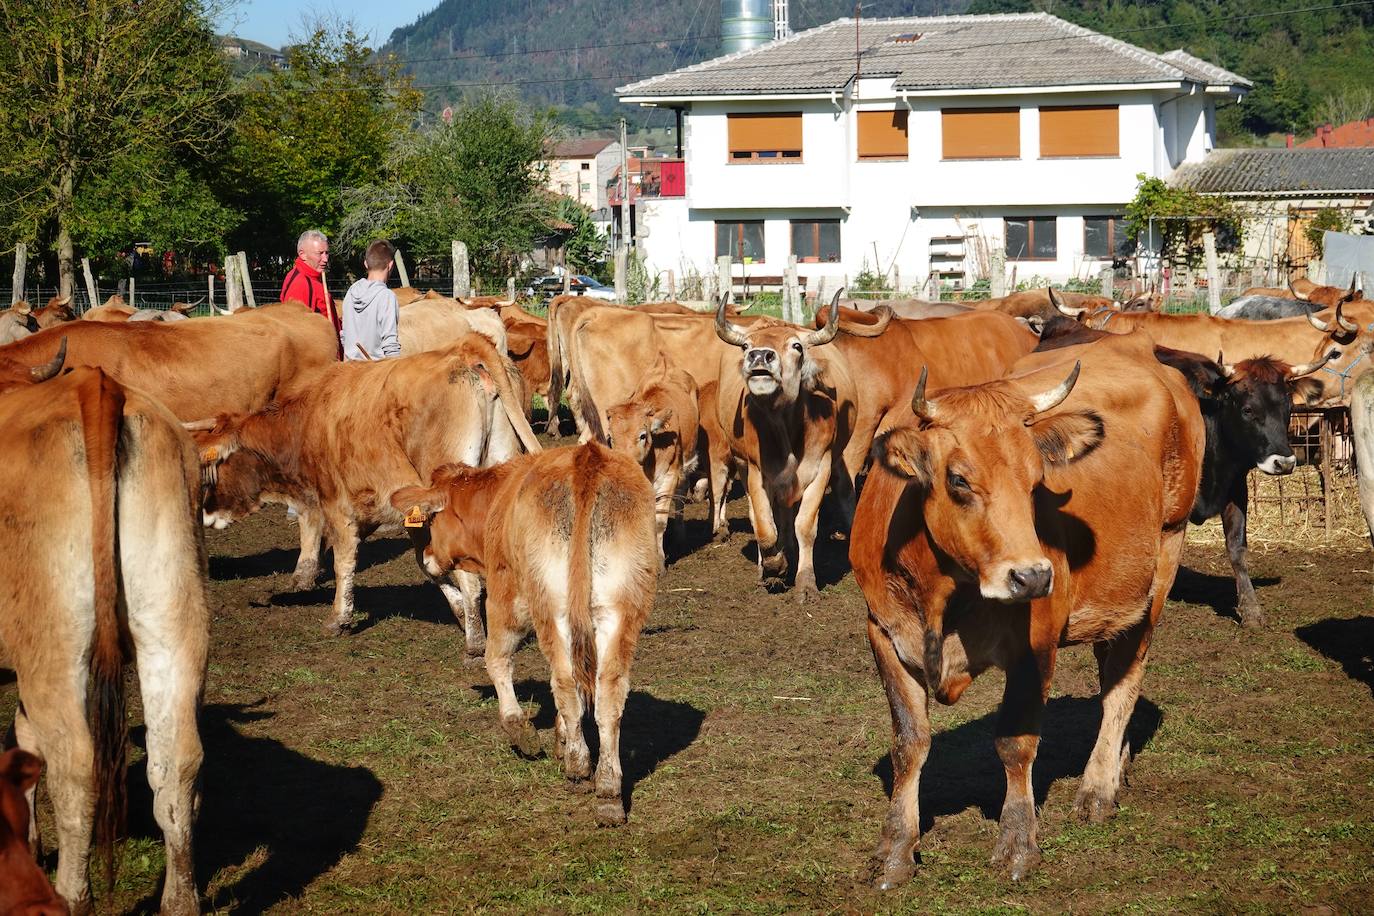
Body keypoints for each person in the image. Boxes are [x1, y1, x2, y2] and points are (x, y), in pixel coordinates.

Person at [340, 239, 401, 362]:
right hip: (373, 373)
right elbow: (390, 345)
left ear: (366, 264)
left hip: (349, 371)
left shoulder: (351, 292)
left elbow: (344, 336)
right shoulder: (386, 297)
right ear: (390, 265)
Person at [280, 229, 341, 342]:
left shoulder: (314, 277)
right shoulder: (301, 283)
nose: (325, 259)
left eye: (326, 253)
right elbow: (298, 332)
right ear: (302, 254)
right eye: (320, 253)